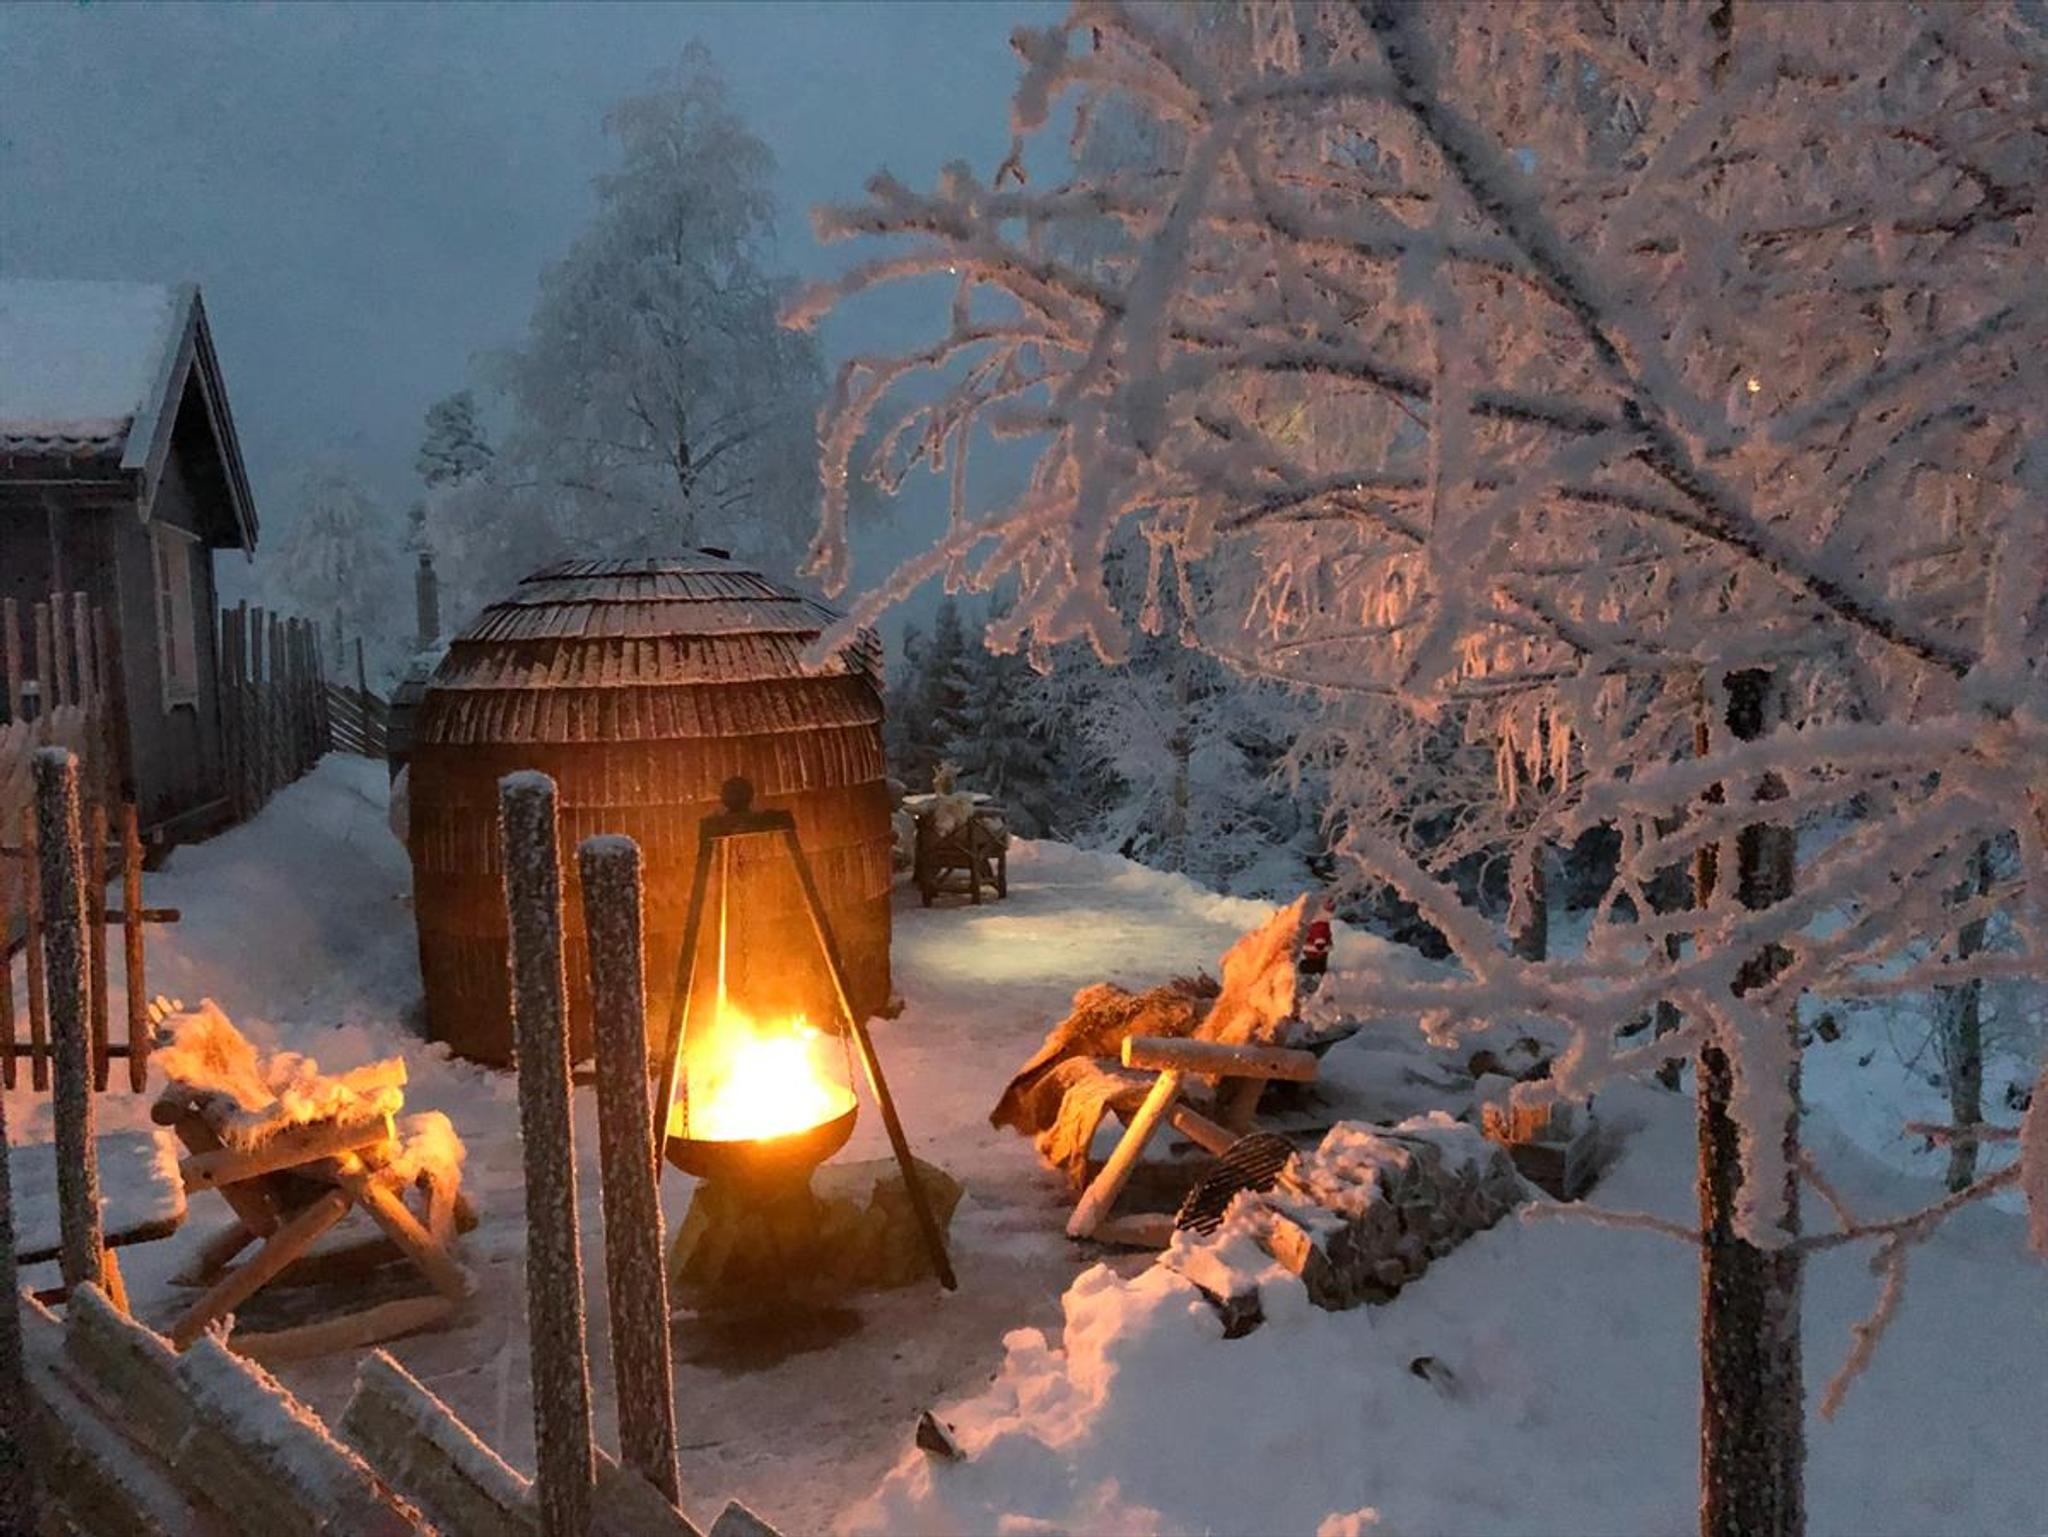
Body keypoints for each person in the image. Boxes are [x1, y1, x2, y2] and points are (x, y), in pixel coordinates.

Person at [1299, 895, 1335, 988]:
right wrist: (1320, 943)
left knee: (1316, 963)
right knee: (1318, 964)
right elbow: (1319, 932)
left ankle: (1312, 976)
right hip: (1317, 949)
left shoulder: (1315, 921)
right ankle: (1315, 978)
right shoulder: (1320, 922)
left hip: (1312, 948)